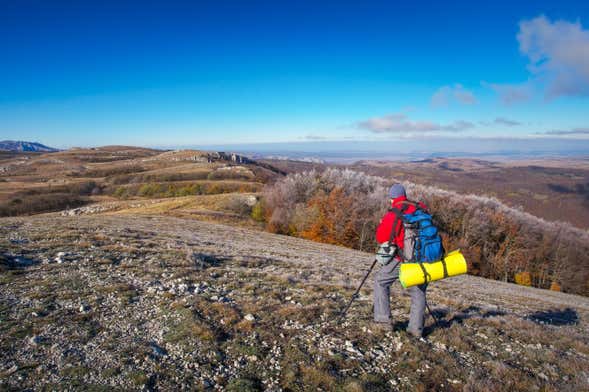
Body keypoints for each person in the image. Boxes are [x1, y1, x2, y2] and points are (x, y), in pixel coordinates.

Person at [373, 183, 429, 337]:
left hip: (403, 258)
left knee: (380, 281)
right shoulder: (420, 208)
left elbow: (381, 237)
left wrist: (382, 225)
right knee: (418, 291)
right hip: (424, 258)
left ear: (392, 198)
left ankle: (383, 322)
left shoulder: (395, 212)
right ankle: (416, 330)